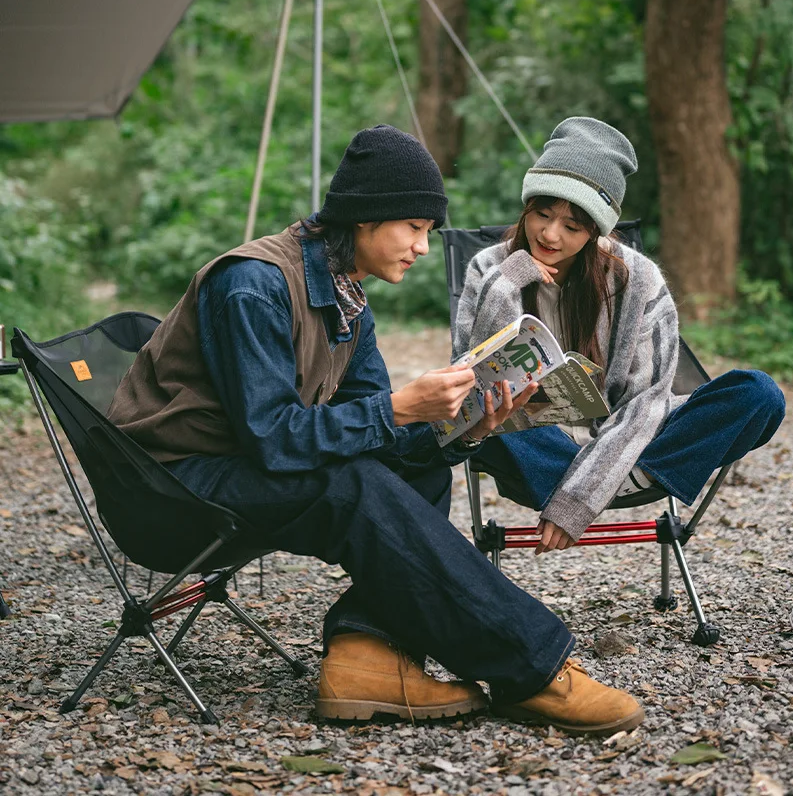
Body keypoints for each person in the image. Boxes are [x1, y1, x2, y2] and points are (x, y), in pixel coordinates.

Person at [108, 124, 644, 735]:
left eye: (428, 233)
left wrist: (462, 429)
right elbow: (275, 437)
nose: (421, 247)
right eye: (414, 228)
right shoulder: (252, 286)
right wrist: (398, 408)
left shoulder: (346, 296)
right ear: (366, 218)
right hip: (167, 493)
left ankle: (366, 657)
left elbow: (377, 428)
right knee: (355, 486)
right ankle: (534, 670)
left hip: (231, 471)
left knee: (415, 462)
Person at [453, 117, 786, 554]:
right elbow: (470, 383)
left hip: (623, 434)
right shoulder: (488, 267)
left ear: (596, 231)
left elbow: (647, 400)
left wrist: (580, 498)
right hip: (533, 439)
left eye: (572, 226)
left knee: (760, 394)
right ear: (526, 206)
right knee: (486, 418)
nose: (550, 234)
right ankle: (614, 479)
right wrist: (505, 285)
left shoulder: (639, 280)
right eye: (542, 214)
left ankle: (592, 482)